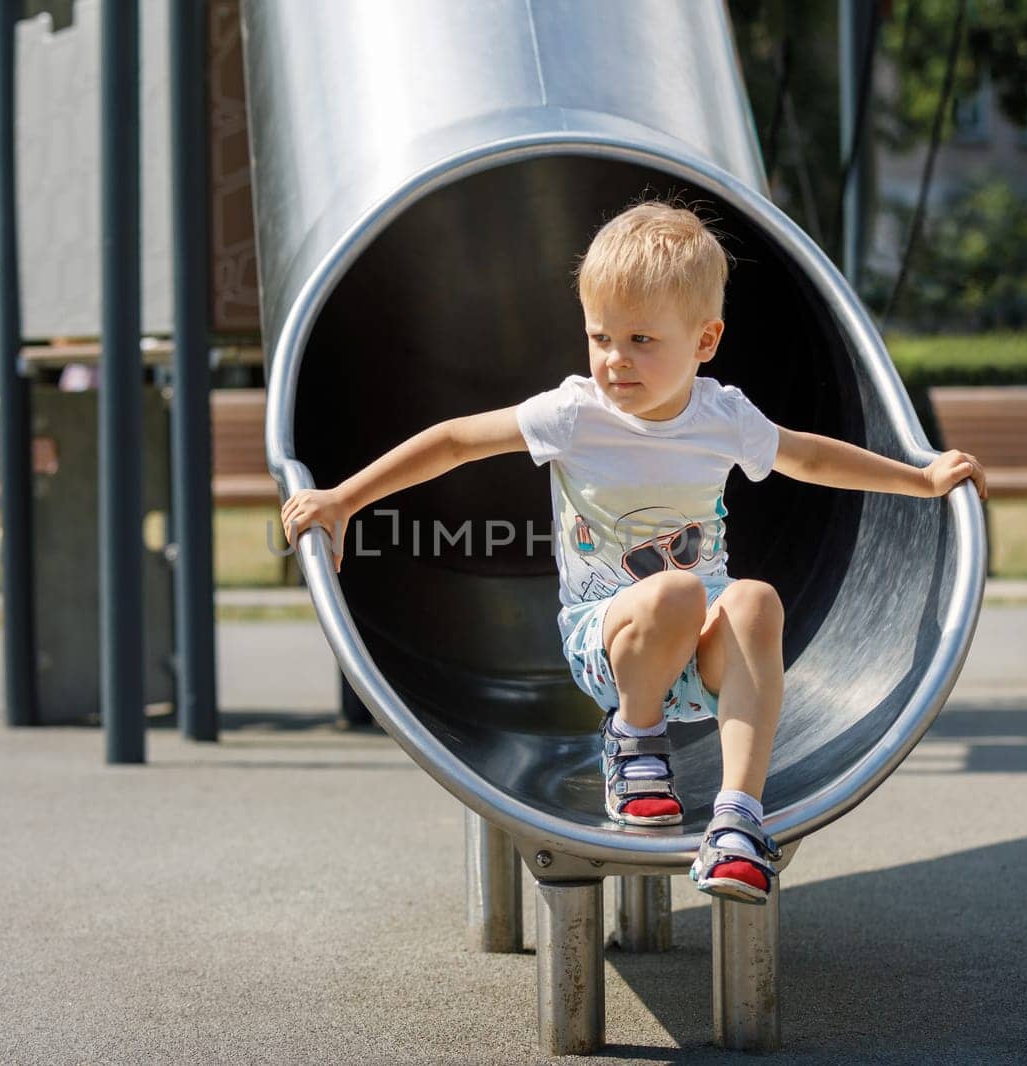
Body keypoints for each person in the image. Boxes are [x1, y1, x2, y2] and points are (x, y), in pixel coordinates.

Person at [280, 200, 987, 905]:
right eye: (601, 336)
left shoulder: (723, 416)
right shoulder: (574, 414)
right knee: (675, 591)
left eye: (642, 339)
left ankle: (738, 821)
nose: (616, 359)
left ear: (705, 341)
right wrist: (344, 498)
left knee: (753, 600)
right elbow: (455, 441)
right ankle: (634, 740)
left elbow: (811, 458)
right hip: (607, 640)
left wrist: (918, 479)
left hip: (700, 645)